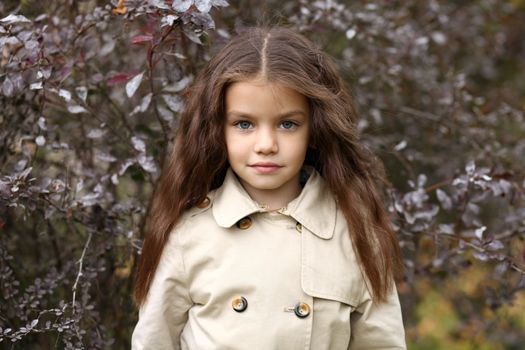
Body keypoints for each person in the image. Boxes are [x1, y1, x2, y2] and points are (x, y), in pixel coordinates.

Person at [131, 25, 406, 349]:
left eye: (287, 124)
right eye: (244, 124)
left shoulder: (355, 233)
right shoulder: (190, 235)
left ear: (315, 128)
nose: (266, 144)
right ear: (217, 129)